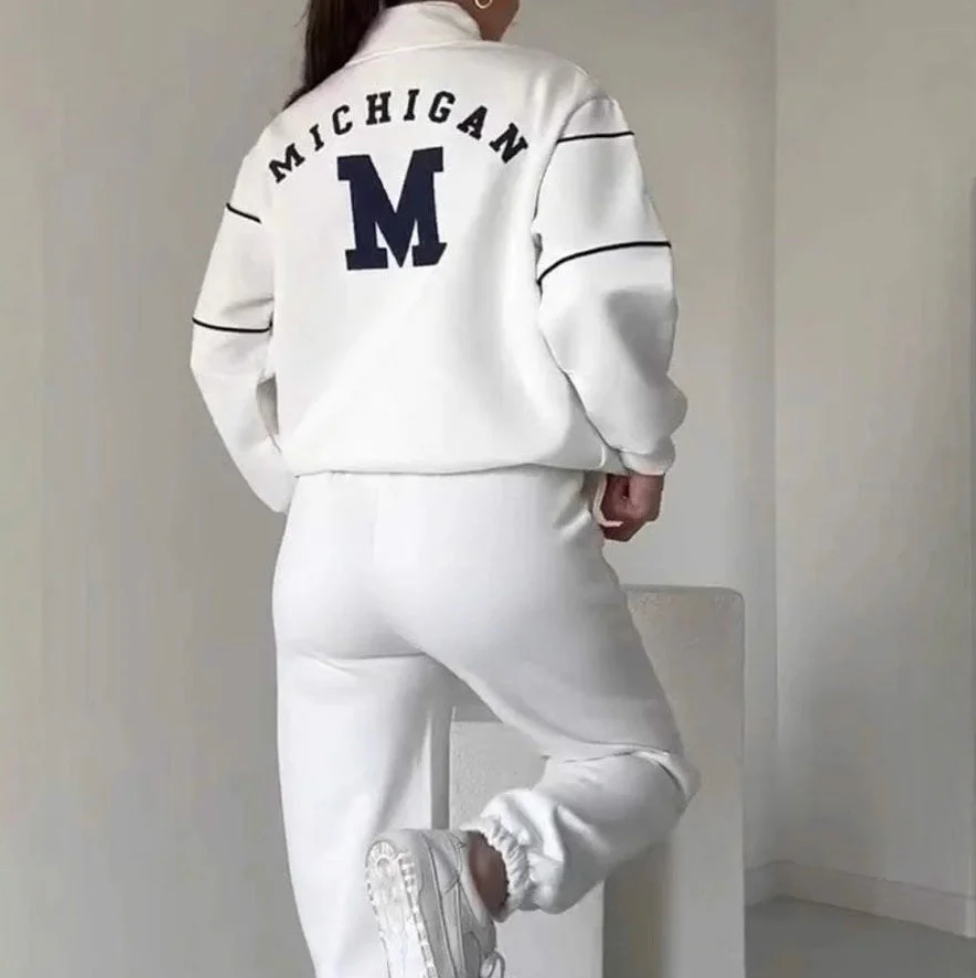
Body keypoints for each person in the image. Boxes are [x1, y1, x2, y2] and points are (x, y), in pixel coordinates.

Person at [191, 1, 699, 976]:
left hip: (326, 549)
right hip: (494, 519)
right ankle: (479, 870)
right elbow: (599, 296)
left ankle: (443, 898)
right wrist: (641, 446)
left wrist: (302, 483)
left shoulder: (290, 135)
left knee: (358, 924)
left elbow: (221, 345)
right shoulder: (551, 94)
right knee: (637, 763)